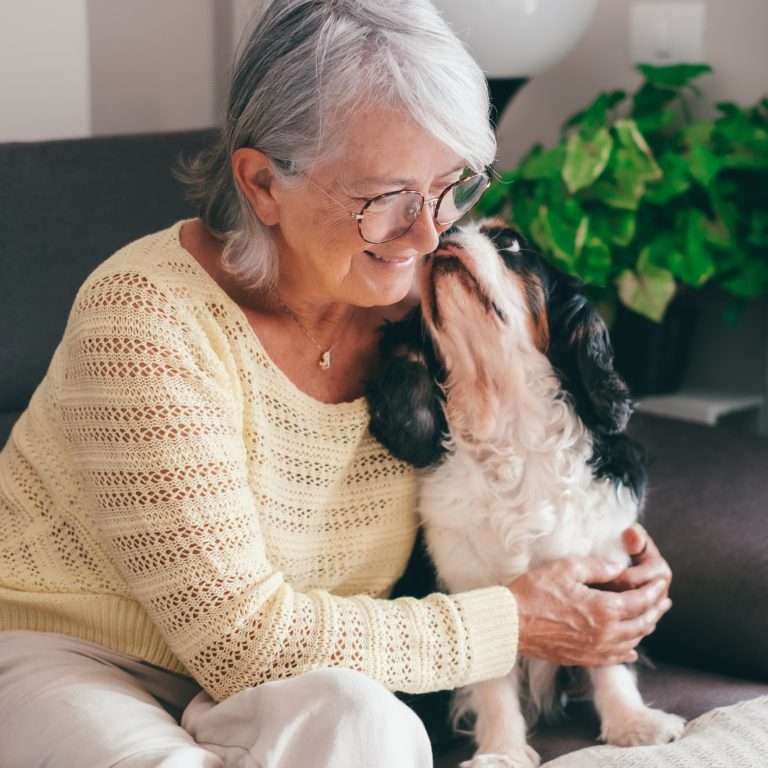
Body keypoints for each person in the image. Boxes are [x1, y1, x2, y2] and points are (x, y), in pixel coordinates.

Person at [0, 1, 673, 766]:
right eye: (384, 198)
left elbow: (516, 467)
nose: (428, 235)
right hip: (77, 658)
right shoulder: (144, 322)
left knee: (374, 730)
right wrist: (515, 621)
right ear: (261, 185)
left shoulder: (421, 312)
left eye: (452, 186)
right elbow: (239, 643)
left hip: (278, 681)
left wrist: (598, 554)